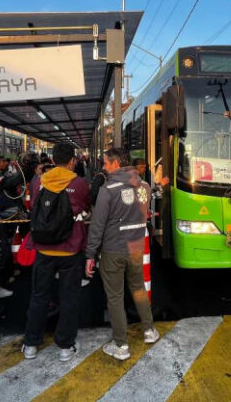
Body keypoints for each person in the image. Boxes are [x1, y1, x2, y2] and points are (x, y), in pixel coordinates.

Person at [85, 148, 158, 360]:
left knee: (115, 298)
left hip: (113, 249)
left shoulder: (108, 190)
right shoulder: (144, 185)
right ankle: (149, 331)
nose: (104, 168)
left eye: (106, 164)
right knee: (138, 289)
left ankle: (121, 346)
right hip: (135, 248)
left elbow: (97, 226)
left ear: (116, 163)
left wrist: (90, 254)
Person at [22, 143, 90, 363]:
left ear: (52, 159)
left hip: (43, 248)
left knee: (39, 296)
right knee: (69, 297)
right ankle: (65, 346)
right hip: (70, 249)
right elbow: (85, 207)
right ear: (72, 161)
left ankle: (31, 344)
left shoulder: (38, 181)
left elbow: (33, 206)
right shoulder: (79, 183)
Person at [0, 154, 25, 219]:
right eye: (3, 161)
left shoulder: (2, 174)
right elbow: (8, 183)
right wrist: (23, 172)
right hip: (6, 209)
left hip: (9, 208)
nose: (6, 163)